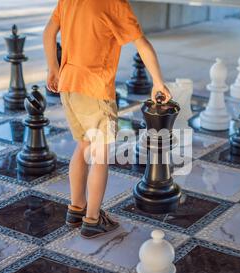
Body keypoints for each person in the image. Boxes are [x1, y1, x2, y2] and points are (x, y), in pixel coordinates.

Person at [43, 0, 171, 239]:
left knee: (83, 146)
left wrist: (53, 68)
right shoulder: (114, 3)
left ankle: (76, 208)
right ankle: (92, 220)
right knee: (100, 155)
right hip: (95, 89)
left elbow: (49, 31)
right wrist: (158, 82)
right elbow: (141, 43)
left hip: (69, 83)